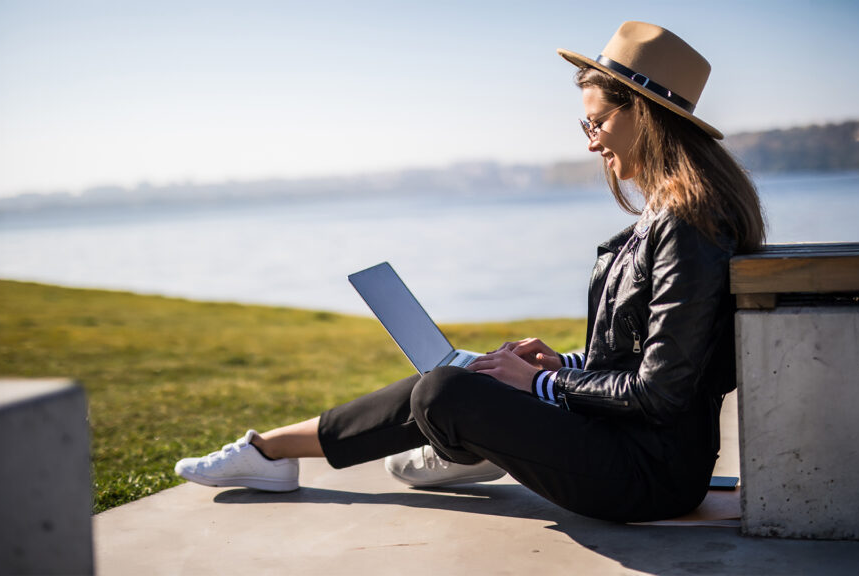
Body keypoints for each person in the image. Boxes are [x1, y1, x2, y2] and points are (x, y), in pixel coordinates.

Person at [174, 21, 765, 522]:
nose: (591, 143)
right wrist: (563, 364)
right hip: (626, 444)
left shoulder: (689, 226)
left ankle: (464, 439)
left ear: (645, 113)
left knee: (447, 389)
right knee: (458, 374)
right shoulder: (674, 215)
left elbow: (660, 394)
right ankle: (269, 451)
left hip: (649, 474)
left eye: (596, 123)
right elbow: (654, 360)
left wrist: (537, 387)